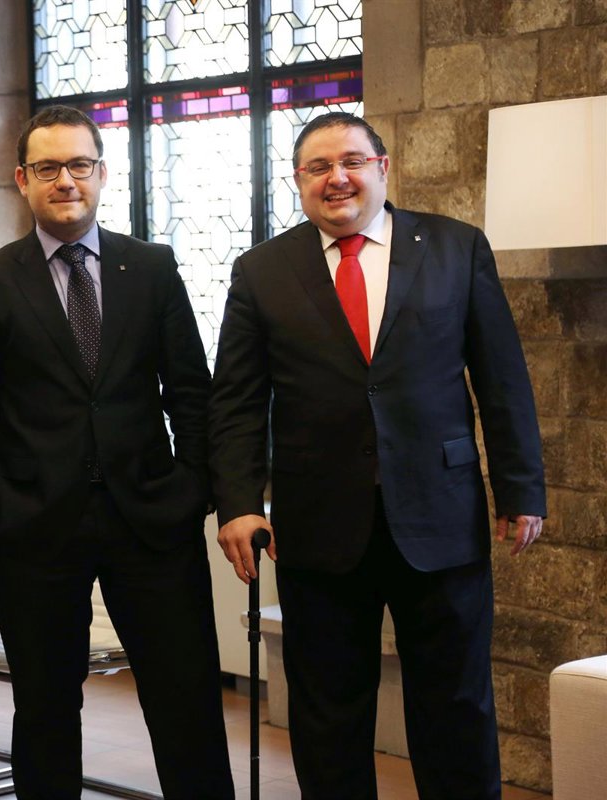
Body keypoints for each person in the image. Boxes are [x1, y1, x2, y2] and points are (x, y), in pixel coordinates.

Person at [210, 111, 546, 799]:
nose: (337, 177)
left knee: (455, 705)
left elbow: (502, 378)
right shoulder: (262, 270)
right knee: (327, 711)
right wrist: (239, 503)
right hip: (318, 525)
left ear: (383, 168)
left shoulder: (455, 247)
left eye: (352, 161)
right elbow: (237, 402)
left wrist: (521, 489)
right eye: (318, 167)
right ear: (299, 180)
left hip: (441, 516)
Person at [0, 105, 234, 799]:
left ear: (102, 173)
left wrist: (191, 488)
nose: (65, 180)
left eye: (79, 164)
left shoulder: (152, 268)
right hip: (35, 527)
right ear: (22, 179)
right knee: (45, 708)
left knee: (187, 699)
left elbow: (190, 391)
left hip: (152, 519)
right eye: (47, 167)